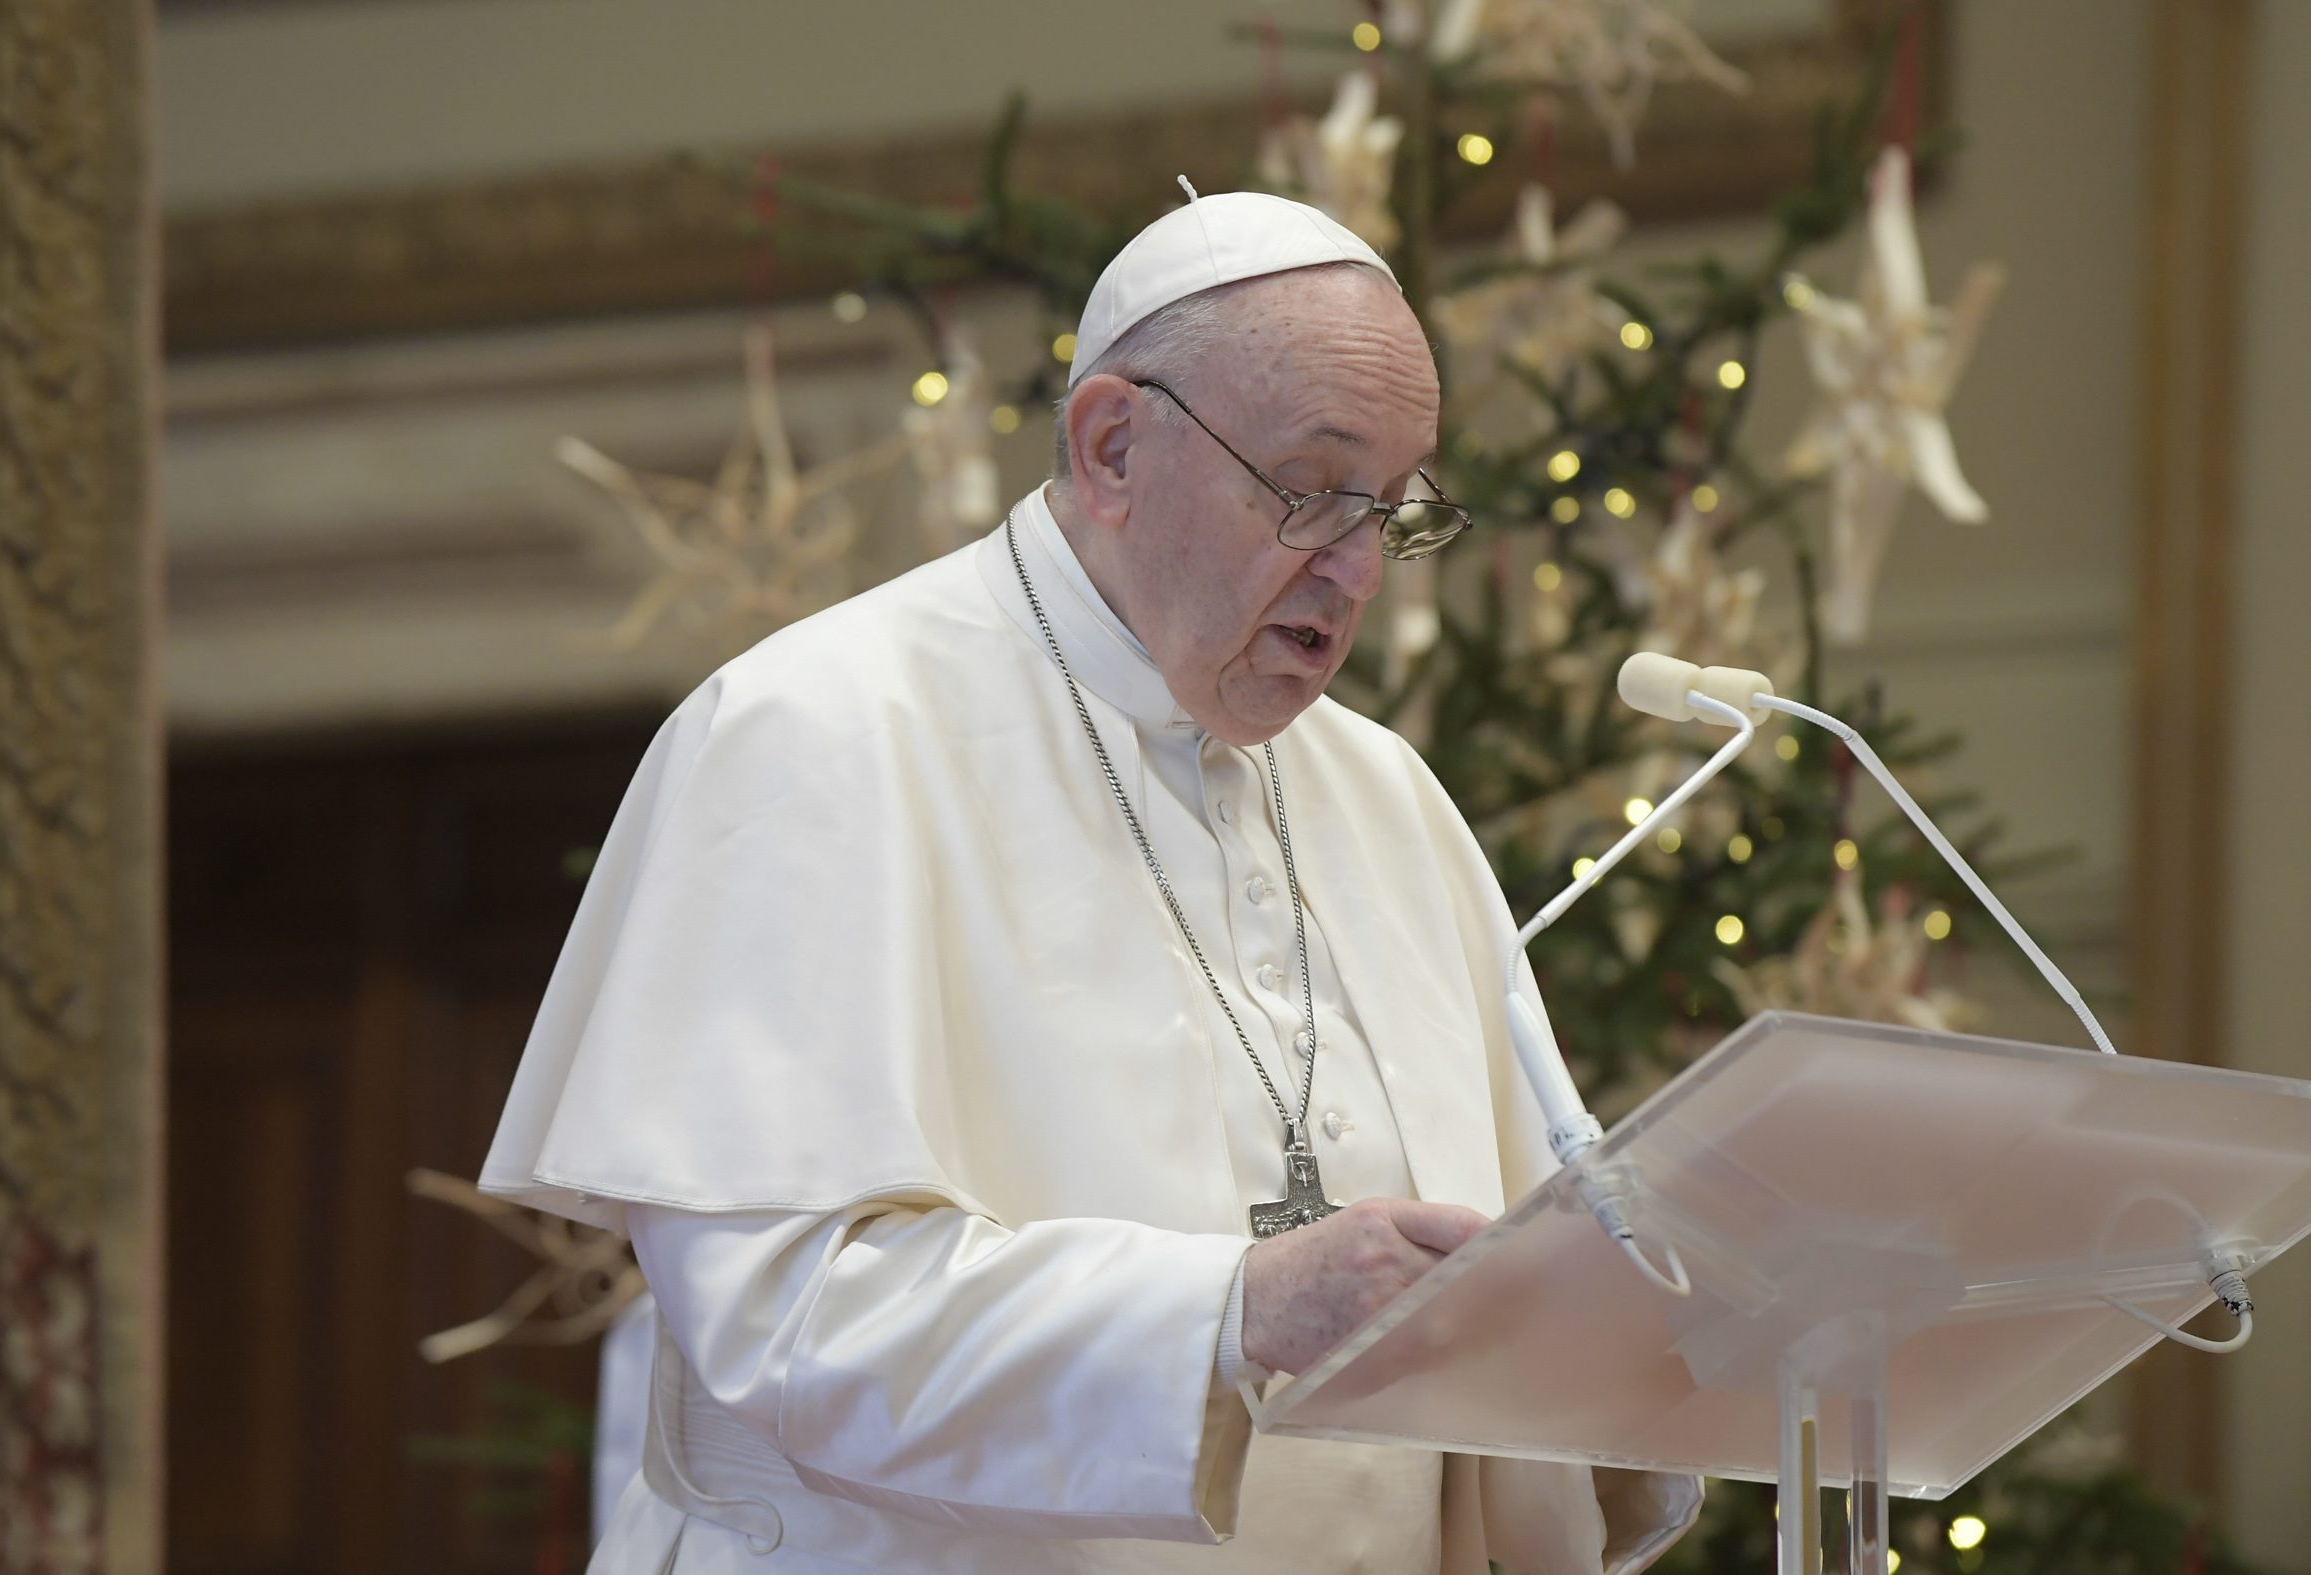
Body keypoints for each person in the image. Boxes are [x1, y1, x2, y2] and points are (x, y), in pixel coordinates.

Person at [482, 186, 1701, 1574]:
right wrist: (1237, 1309)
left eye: (1394, 507)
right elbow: (784, 1321)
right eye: (1312, 490)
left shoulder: (1387, 799)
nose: (1358, 571)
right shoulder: (816, 731)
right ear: (1113, 443)